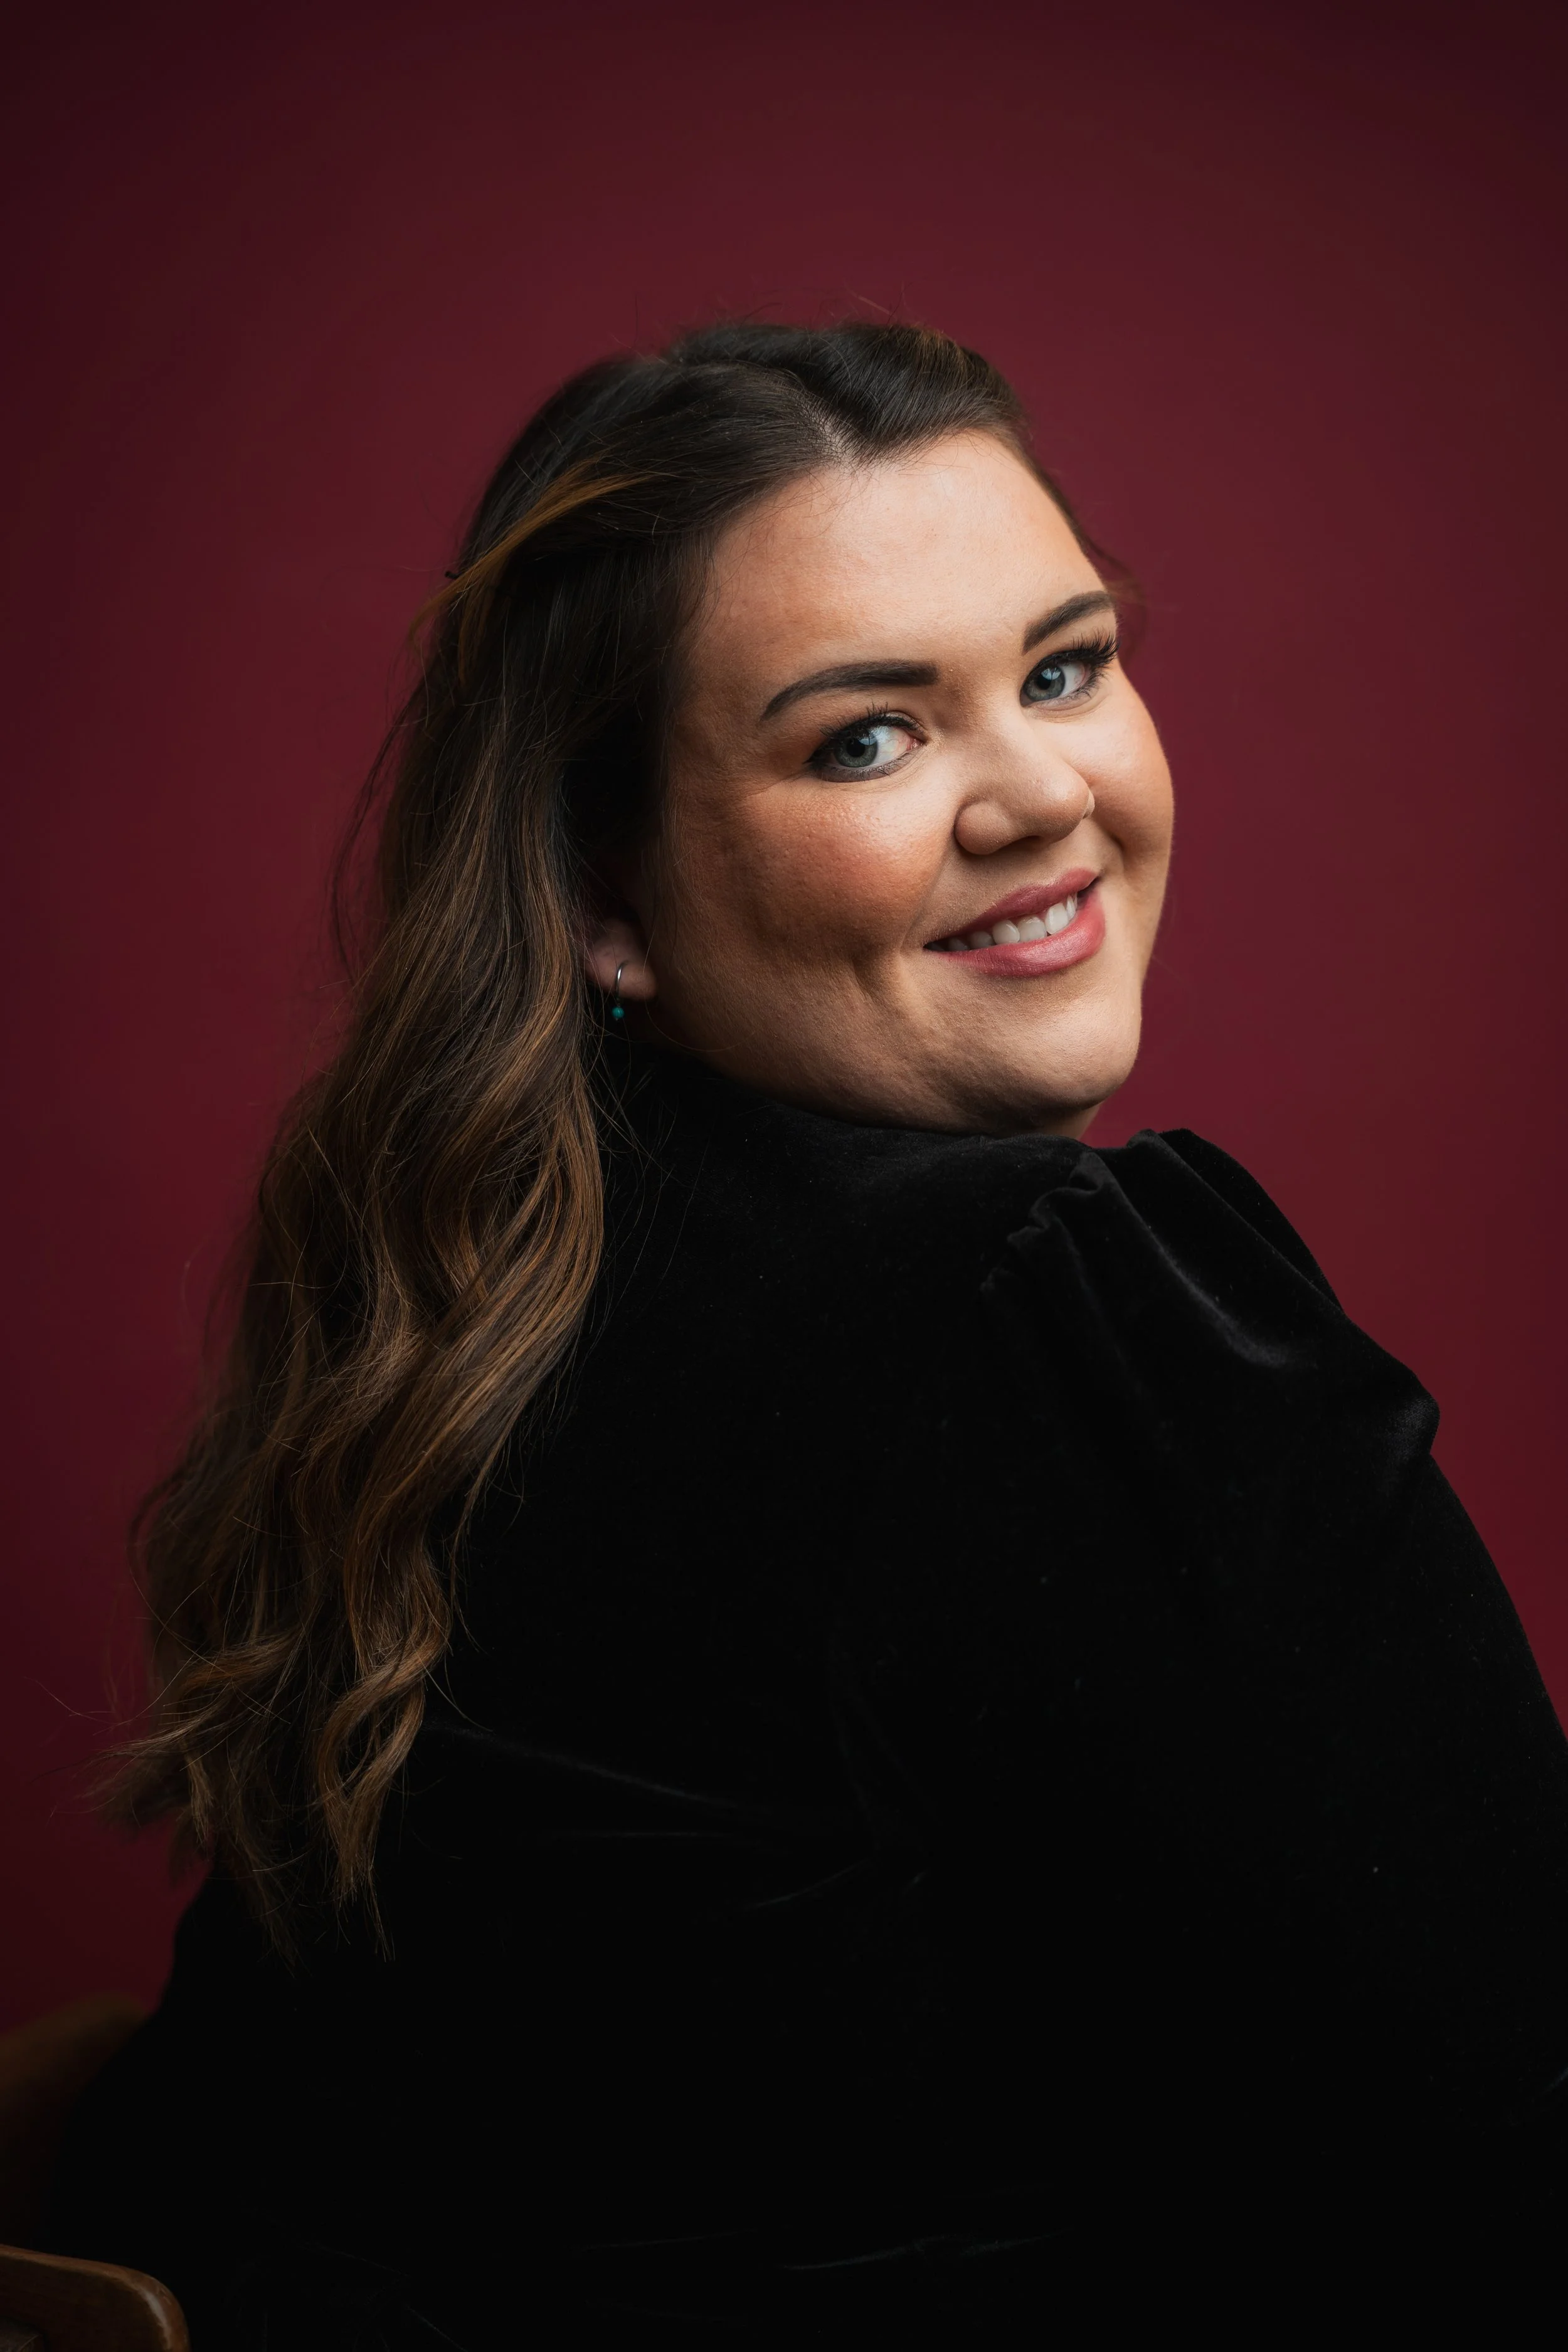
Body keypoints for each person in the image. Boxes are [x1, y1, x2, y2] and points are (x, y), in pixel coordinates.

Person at [51, 321, 1568, 2341]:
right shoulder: (1049, 1302)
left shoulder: (480, 1312)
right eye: (866, 735)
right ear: (606, 890)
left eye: (1066, 665)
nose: (1040, 793)